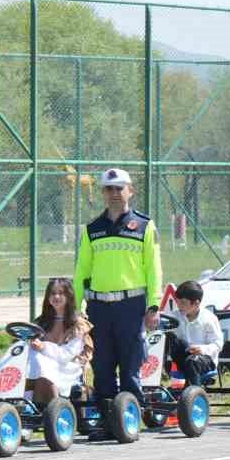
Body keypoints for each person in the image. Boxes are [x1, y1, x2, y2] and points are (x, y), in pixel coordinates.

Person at [72, 168, 162, 432]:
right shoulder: (92, 229)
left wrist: (153, 305)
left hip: (131, 306)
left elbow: (153, 269)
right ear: (103, 193)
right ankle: (108, 422)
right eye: (109, 189)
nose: (114, 194)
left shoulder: (145, 226)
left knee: (130, 366)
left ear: (130, 191)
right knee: (102, 367)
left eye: (119, 188)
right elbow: (81, 273)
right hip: (99, 308)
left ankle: (129, 423)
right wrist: (76, 310)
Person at [24, 277, 93, 406]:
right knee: (32, 358)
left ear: (69, 296)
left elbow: (66, 355)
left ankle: (53, 406)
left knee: (40, 361)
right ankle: (23, 402)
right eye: (53, 293)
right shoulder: (41, 322)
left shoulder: (78, 324)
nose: (56, 296)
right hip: (43, 366)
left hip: (68, 368)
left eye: (61, 293)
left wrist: (43, 347)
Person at [167, 280, 223, 386]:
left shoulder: (208, 318)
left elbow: (218, 344)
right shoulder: (174, 316)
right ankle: (152, 390)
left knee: (192, 361)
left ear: (196, 303)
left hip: (204, 359)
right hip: (182, 357)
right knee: (169, 337)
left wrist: (202, 349)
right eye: (177, 302)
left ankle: (194, 394)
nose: (179, 305)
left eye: (183, 303)